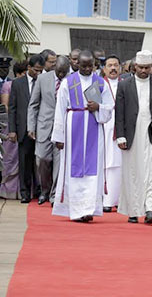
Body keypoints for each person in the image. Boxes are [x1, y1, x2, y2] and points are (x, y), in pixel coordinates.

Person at [51, 50, 114, 222]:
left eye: (90, 66)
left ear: (94, 65)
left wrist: (99, 108)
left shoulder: (101, 83)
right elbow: (60, 108)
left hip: (94, 127)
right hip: (73, 127)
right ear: (77, 63)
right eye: (83, 65)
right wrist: (59, 136)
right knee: (75, 169)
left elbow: (109, 107)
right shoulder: (67, 82)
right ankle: (75, 209)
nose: (87, 69)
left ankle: (88, 209)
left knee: (92, 171)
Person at [115, 50, 152, 224]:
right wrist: (120, 136)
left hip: (151, 133)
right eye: (141, 67)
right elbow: (119, 113)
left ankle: (150, 209)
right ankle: (133, 210)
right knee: (133, 172)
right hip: (131, 134)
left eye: (147, 67)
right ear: (135, 66)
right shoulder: (124, 85)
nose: (144, 71)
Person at [28, 56, 70, 206]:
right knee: (42, 160)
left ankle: (54, 195)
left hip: (64, 129)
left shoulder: (72, 80)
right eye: (59, 71)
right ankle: (44, 191)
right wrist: (31, 126)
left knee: (60, 164)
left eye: (64, 72)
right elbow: (33, 104)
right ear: (54, 67)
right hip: (44, 126)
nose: (61, 75)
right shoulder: (42, 79)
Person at [8, 54, 44, 203]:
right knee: (24, 163)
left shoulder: (43, 82)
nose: (38, 73)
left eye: (41, 71)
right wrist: (12, 130)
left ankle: (40, 191)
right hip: (23, 129)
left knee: (41, 162)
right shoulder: (17, 83)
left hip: (41, 128)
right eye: (36, 70)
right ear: (29, 68)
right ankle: (24, 193)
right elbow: (12, 108)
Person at [0, 61, 28, 199]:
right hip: (11, 125)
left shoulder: (28, 85)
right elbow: (6, 106)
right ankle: (9, 191)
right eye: (23, 73)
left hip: (24, 126)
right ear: (17, 74)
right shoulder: (8, 85)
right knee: (10, 158)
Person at [102, 55, 123, 212]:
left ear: (120, 68)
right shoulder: (99, 84)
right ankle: (103, 200)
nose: (113, 68)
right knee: (104, 164)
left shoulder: (127, 84)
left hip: (122, 131)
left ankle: (117, 200)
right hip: (102, 130)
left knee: (119, 165)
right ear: (104, 69)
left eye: (116, 65)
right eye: (110, 65)